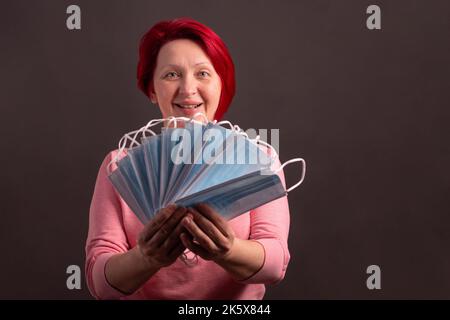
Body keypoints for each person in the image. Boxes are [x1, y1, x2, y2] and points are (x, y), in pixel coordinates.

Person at [85, 17, 291, 299]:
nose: (188, 89)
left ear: (222, 84)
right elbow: (100, 282)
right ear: (151, 90)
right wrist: (147, 258)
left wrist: (228, 250)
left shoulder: (259, 159)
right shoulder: (119, 166)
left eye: (203, 74)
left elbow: (276, 265)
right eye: (171, 75)